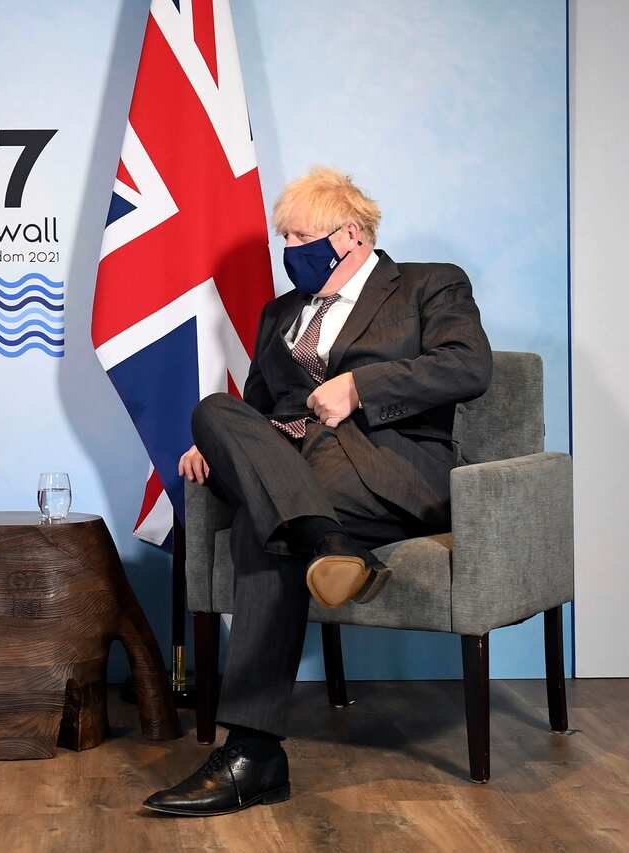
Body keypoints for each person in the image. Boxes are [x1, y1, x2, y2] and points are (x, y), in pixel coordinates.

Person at [143, 167, 492, 817]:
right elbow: (256, 409)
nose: (289, 249)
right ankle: (322, 541)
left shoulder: (427, 284)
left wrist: (361, 389)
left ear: (350, 235)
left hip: (388, 472)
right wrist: (221, 447)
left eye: (301, 236)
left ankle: (253, 755)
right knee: (213, 411)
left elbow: (468, 365)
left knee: (263, 524)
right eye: (284, 236)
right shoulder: (280, 312)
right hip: (300, 474)